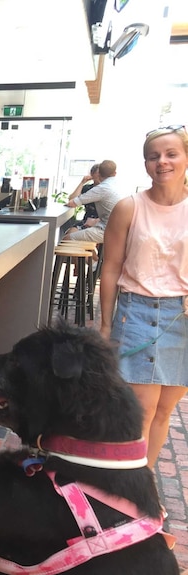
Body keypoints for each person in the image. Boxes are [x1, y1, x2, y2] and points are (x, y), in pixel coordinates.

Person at [99, 125, 188, 468]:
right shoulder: (129, 208)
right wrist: (106, 325)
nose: (161, 162)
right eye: (153, 156)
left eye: (170, 154)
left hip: (180, 318)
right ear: (145, 164)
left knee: (164, 410)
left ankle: (145, 480)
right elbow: (110, 268)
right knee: (141, 411)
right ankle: (129, 486)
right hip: (136, 313)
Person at [62, 160, 124, 245]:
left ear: (99, 174)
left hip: (105, 229)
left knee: (66, 240)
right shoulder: (117, 185)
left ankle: (92, 257)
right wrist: (82, 183)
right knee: (73, 234)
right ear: (114, 173)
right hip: (115, 229)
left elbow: (72, 203)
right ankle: (90, 256)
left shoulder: (101, 188)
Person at [62, 163, 101, 235]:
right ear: (92, 174)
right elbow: (72, 200)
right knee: (68, 234)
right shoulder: (88, 188)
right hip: (86, 222)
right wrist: (82, 182)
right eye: (98, 173)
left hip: (101, 223)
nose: (101, 176)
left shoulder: (107, 190)